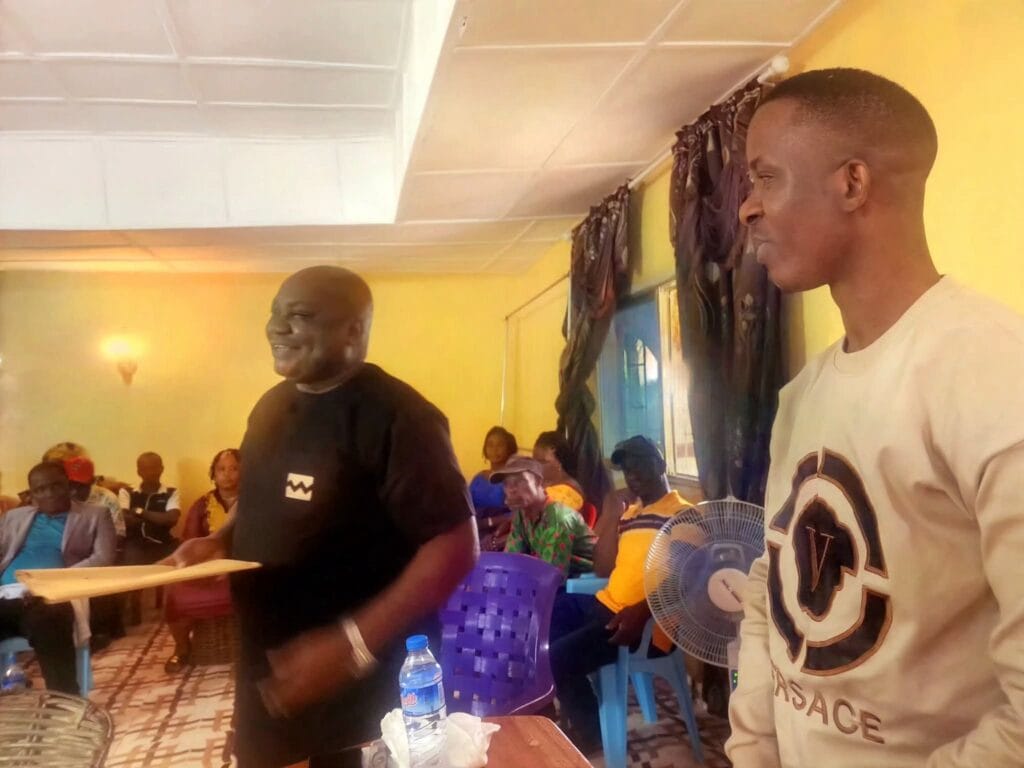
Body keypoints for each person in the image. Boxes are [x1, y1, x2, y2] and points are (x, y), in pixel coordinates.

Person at [726, 68, 1024, 768]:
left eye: (766, 177)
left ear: (852, 183)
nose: (746, 209)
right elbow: (771, 595)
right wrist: (752, 749)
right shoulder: (802, 397)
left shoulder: (994, 378)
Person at [163, 266, 477, 768]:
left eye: (300, 316)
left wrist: (350, 647)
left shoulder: (398, 416)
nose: (276, 327)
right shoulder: (271, 406)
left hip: (358, 673)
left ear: (353, 330)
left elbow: (456, 544)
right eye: (274, 313)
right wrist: (220, 539)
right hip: (272, 659)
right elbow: (260, 494)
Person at [548, 436, 690, 751]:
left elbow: (687, 579)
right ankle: (566, 711)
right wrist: (613, 514)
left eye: (640, 463)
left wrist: (643, 611)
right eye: (626, 468)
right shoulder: (631, 515)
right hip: (605, 605)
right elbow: (603, 570)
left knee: (557, 657)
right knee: (542, 621)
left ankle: (592, 734)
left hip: (644, 624)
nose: (632, 473)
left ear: (661, 464)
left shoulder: (684, 514)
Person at [0, 462, 115, 692]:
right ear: (31, 494)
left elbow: (104, 558)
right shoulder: (14, 516)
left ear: (69, 485)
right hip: (6, 596)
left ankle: (63, 701)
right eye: (40, 489)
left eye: (56, 486)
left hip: (52, 597)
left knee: (49, 622)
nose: (49, 493)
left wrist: (52, 581)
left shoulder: (95, 514)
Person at [163, 448, 240, 674]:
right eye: (221, 469)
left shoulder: (256, 502)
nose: (227, 474)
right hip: (207, 571)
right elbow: (191, 542)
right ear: (213, 474)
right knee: (175, 592)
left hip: (245, 569)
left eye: (234, 469)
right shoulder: (201, 505)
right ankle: (182, 647)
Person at [492, 455, 595, 579]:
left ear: (538, 481)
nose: (511, 489)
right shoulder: (521, 515)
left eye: (520, 481)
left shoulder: (558, 517)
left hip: (590, 580)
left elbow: (550, 576)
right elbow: (511, 560)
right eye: (506, 484)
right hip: (561, 577)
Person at [64, 456, 125, 649]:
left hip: (103, 549)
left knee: (100, 571)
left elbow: (119, 533)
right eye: (71, 485)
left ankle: (100, 630)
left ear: (92, 481)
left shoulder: (107, 498)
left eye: (80, 485)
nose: (75, 491)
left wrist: (95, 550)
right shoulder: (61, 499)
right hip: (72, 552)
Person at [118, 452, 181, 565]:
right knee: (133, 566)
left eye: (154, 468)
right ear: (139, 472)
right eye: (146, 469)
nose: (151, 472)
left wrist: (139, 511)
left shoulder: (171, 492)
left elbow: (171, 519)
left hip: (163, 542)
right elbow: (124, 520)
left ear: (162, 469)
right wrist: (159, 518)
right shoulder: (127, 492)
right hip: (134, 544)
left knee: (179, 562)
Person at [532, 430, 597, 527]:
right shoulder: (543, 483)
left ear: (560, 462)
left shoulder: (568, 491)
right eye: (534, 461)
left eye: (543, 462)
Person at [468, 426, 517, 548]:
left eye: (500, 445)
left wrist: (487, 522)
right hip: (474, 530)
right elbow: (466, 507)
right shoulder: (478, 478)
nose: (495, 450)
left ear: (508, 448)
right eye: (490, 445)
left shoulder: (513, 478)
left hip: (501, 535)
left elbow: (517, 515)